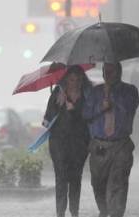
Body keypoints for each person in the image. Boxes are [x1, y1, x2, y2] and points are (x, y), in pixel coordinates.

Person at [82, 62, 139, 217]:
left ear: (119, 72)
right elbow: (86, 115)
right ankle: (104, 210)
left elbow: (130, 108)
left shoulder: (129, 91)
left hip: (121, 144)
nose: (108, 74)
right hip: (99, 146)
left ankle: (115, 213)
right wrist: (101, 106)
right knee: (98, 183)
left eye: (111, 70)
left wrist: (111, 98)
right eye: (105, 71)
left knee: (118, 183)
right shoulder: (95, 92)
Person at [43, 65, 92, 217]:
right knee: (61, 177)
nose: (75, 82)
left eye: (78, 79)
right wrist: (58, 106)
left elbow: (90, 118)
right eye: (72, 79)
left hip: (79, 143)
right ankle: (60, 212)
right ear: (66, 79)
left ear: (83, 80)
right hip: (59, 142)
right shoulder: (58, 93)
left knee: (76, 178)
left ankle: (74, 212)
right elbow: (46, 121)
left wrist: (74, 110)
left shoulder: (87, 95)